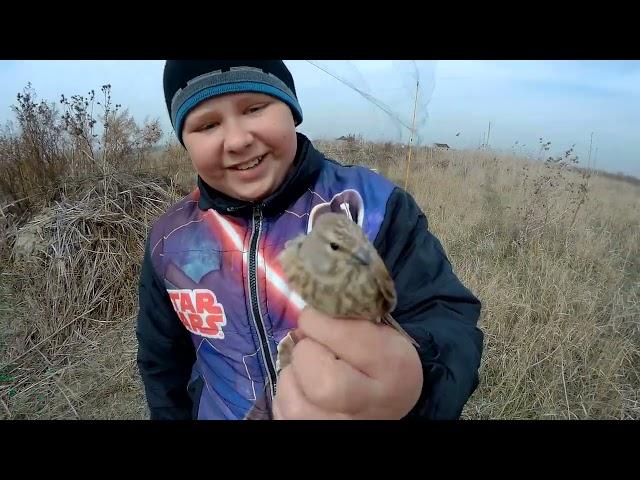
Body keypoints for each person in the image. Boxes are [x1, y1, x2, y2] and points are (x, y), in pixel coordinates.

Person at [136, 60, 483, 420]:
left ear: (292, 111)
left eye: (255, 108)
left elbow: (447, 321)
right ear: (185, 142)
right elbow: (162, 364)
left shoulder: (377, 205)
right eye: (207, 125)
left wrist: (417, 384)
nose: (238, 140)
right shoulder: (169, 239)